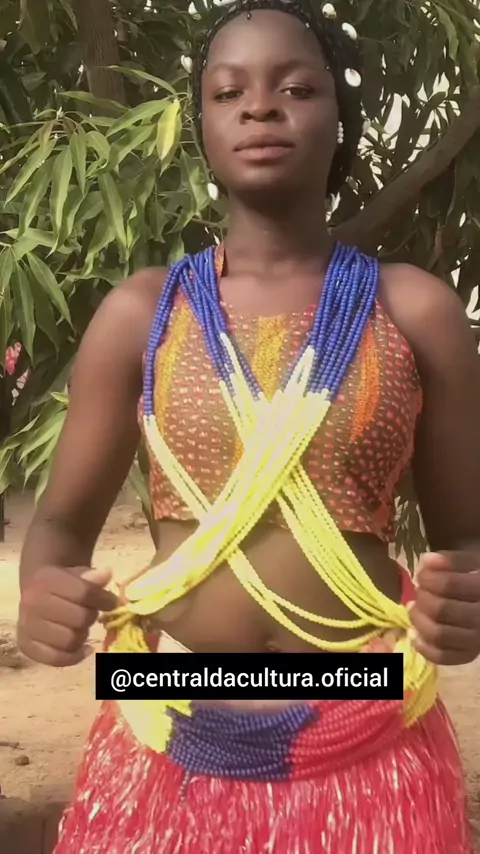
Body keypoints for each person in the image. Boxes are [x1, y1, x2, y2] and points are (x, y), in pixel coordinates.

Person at [17, 1, 480, 851]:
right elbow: (58, 527)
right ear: (202, 128)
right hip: (168, 739)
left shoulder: (413, 311)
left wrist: (465, 602)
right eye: (229, 93)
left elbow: (468, 541)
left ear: (340, 119)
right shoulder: (143, 315)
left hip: (368, 743)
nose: (260, 107)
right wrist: (43, 587)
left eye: (295, 88)